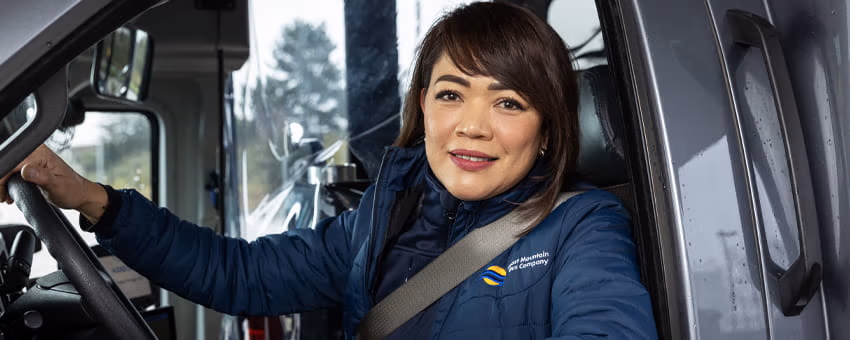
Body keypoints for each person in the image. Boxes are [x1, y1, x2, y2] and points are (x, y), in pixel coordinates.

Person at [0, 2, 657, 339]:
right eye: (452, 93)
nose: (473, 125)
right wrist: (89, 198)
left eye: (509, 102)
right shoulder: (382, 213)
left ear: (546, 129)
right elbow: (242, 275)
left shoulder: (582, 228)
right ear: (424, 107)